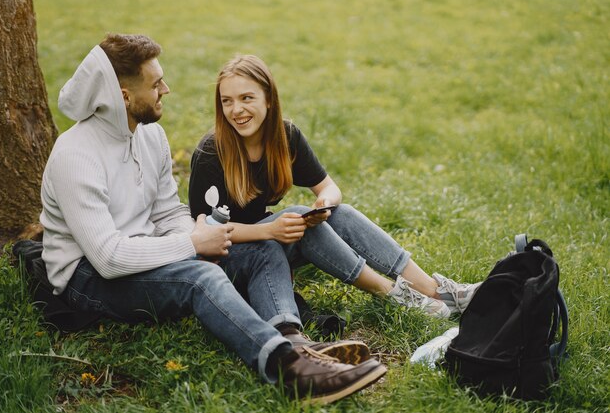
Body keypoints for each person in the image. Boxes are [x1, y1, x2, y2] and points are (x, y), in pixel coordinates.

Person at [39, 34, 387, 405]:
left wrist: (197, 238)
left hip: (149, 251)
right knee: (200, 278)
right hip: (89, 277)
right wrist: (191, 246)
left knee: (261, 246)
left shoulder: (150, 136)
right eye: (156, 84)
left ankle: (295, 341)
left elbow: (168, 212)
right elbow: (107, 259)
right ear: (124, 96)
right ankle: (288, 369)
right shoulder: (76, 155)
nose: (166, 89)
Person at [189, 54, 480, 319]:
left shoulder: (284, 136)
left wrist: (324, 205)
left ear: (268, 99)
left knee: (339, 213)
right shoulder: (211, 152)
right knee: (299, 215)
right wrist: (269, 230)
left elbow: (329, 188)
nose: (236, 109)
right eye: (227, 101)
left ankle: (434, 290)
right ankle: (394, 294)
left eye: (246, 98)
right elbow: (205, 234)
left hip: (270, 242)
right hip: (229, 259)